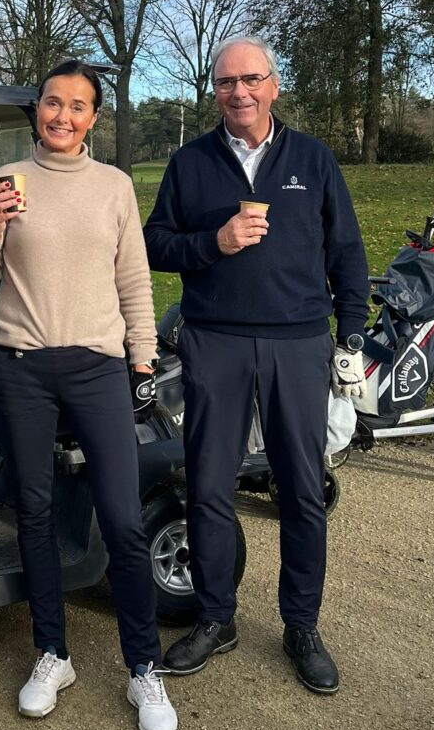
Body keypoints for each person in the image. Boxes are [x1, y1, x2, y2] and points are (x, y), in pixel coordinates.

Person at [143, 36, 368, 694]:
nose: (238, 92)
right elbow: (155, 243)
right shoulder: (190, 163)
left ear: (273, 85)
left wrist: (352, 332)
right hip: (215, 341)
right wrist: (214, 241)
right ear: (214, 91)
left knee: (301, 487)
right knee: (210, 485)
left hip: (299, 342)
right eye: (225, 82)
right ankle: (216, 617)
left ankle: (302, 626)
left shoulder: (312, 159)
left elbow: (347, 253)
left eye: (250, 80)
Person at [0, 61, 178, 730]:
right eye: (52, 102)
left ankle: (143, 665)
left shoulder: (113, 186)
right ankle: (53, 652)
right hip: (23, 367)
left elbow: (134, 278)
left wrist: (142, 357)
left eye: (77, 105)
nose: (62, 115)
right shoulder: (6, 180)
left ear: (93, 117)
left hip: (96, 366)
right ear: (37, 109)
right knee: (34, 510)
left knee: (121, 515)